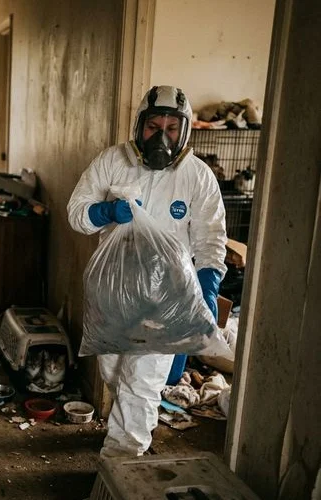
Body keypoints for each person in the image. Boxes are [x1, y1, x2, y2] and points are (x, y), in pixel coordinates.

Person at [67, 85, 227, 458]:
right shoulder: (112, 162)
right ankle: (126, 428)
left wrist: (203, 297)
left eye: (172, 128)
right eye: (154, 127)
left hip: (166, 297)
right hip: (116, 290)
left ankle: (123, 460)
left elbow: (210, 241)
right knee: (114, 371)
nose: (162, 137)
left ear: (185, 131)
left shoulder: (197, 177)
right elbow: (76, 212)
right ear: (139, 127)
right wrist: (105, 213)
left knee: (142, 383)